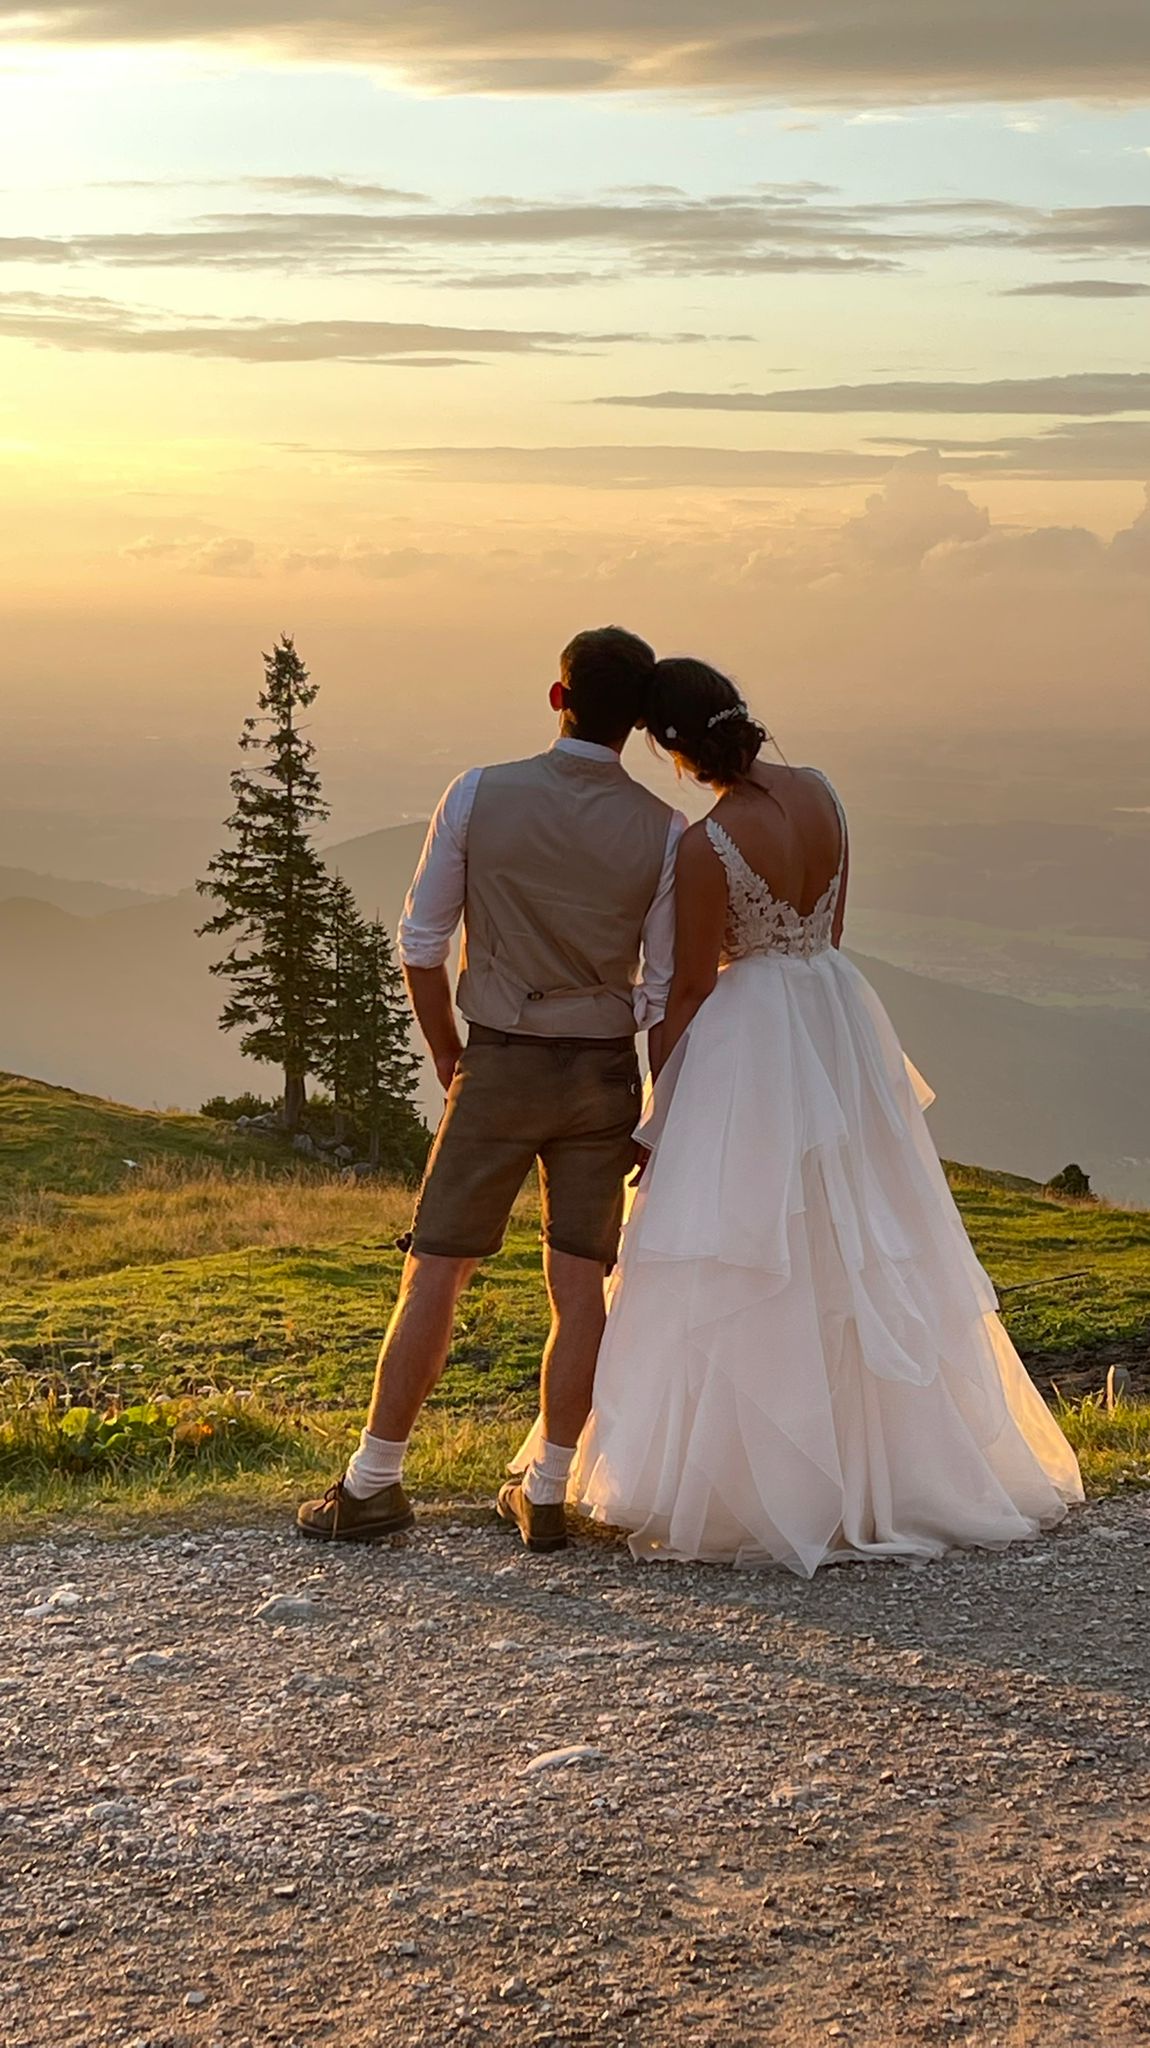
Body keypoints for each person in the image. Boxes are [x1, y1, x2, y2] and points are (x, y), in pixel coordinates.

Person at [520, 656, 1083, 1573]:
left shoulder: (707, 846)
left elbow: (694, 983)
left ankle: (760, 1475)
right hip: (835, 1012)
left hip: (753, 1036)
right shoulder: (823, 793)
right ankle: (886, 1458)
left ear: (672, 746)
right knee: (859, 1229)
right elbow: (836, 924)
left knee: (749, 1239)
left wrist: (663, 1106)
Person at [297, 626, 685, 1549]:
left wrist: (447, 1053)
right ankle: (546, 1490)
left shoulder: (478, 792)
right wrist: (660, 1111)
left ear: (559, 700)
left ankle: (374, 1481)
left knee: (435, 1269)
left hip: (499, 1056)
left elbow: (421, 944)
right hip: (601, 1074)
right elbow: (665, 991)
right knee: (580, 1284)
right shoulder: (664, 833)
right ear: (636, 723)